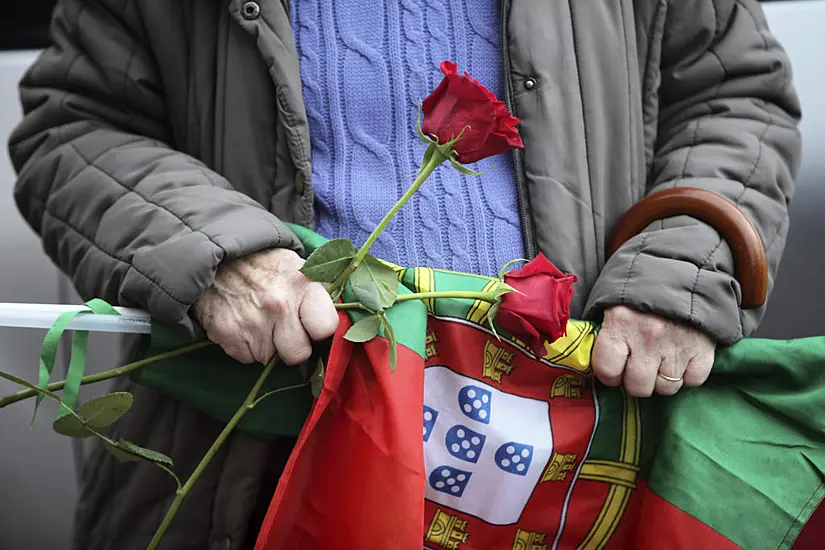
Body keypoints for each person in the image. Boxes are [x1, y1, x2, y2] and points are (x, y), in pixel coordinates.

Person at [7, 0, 801, 548]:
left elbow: (731, 92)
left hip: (567, 462)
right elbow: (73, 126)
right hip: (253, 458)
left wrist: (681, 264)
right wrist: (214, 252)